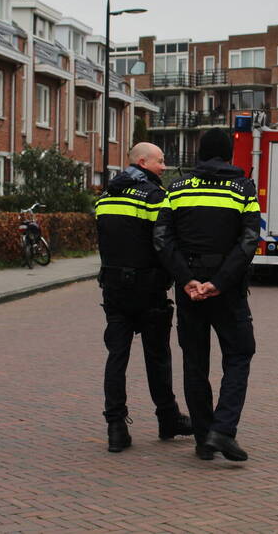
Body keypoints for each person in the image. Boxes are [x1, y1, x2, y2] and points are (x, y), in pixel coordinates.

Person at [155, 129, 259, 462]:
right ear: (229, 155)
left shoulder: (177, 188)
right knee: (239, 355)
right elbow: (248, 241)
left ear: (200, 154)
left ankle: (203, 439)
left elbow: (162, 239)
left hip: (189, 292)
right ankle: (223, 431)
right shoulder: (243, 189)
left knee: (195, 362)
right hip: (227, 292)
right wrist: (219, 282)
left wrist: (187, 280)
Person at [94, 142, 192, 452]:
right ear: (142, 161)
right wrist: (184, 276)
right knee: (157, 356)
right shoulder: (154, 197)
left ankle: (116, 426)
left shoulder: (105, 198)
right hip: (148, 288)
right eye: (160, 161)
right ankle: (168, 418)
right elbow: (163, 243)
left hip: (113, 288)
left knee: (117, 357)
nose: (164, 167)